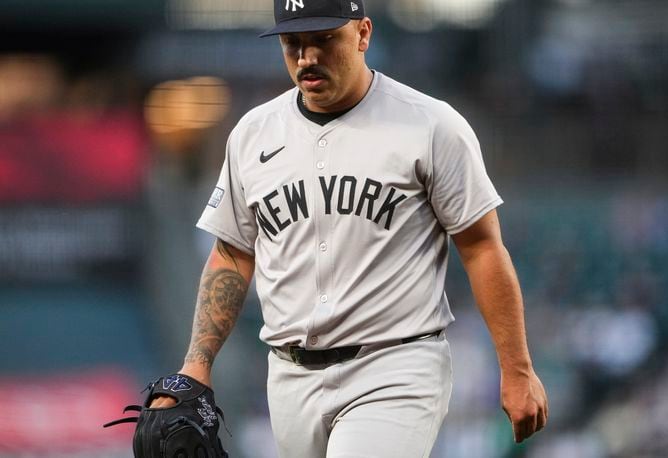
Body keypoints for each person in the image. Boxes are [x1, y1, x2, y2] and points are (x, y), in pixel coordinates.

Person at [151, 0, 548, 456]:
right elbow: (233, 254)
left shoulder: (431, 125)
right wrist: (197, 365)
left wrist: (516, 368)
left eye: (323, 39)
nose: (307, 58)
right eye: (293, 43)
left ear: (363, 34)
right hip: (289, 376)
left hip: (394, 365)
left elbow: (481, 247)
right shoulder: (252, 134)